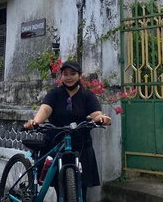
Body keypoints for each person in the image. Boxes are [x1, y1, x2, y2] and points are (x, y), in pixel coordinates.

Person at [24, 60, 111, 202]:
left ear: (79, 76)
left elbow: (96, 114)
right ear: (61, 76)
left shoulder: (87, 95)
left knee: (81, 185)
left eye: (73, 74)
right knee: (59, 185)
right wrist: (36, 121)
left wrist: (102, 118)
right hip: (56, 141)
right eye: (65, 74)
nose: (69, 77)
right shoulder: (55, 93)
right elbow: (46, 109)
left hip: (81, 145)